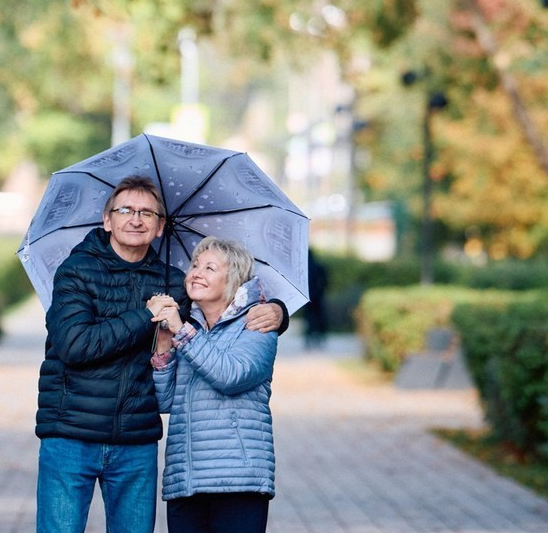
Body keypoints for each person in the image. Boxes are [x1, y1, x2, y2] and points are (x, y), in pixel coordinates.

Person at [35, 176, 287, 533]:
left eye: (147, 213)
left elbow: (223, 310)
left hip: (136, 440)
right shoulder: (76, 272)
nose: (135, 219)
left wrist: (278, 311)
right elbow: (76, 346)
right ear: (107, 220)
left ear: (159, 226)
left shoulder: (173, 283)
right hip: (72, 432)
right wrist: (147, 317)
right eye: (125, 210)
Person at [150, 236, 279, 533]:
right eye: (195, 265)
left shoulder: (257, 324)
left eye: (209, 268)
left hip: (237, 479)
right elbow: (165, 401)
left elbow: (230, 376)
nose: (196, 272)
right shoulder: (189, 328)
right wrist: (163, 348)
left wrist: (181, 331)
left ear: (233, 279)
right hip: (186, 478)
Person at [304, 248, 329, 347]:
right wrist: (321, 291)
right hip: (318, 296)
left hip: (307, 296)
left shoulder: (304, 268)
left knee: (309, 317)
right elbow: (325, 281)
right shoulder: (318, 266)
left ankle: (309, 336)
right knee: (319, 317)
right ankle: (320, 336)